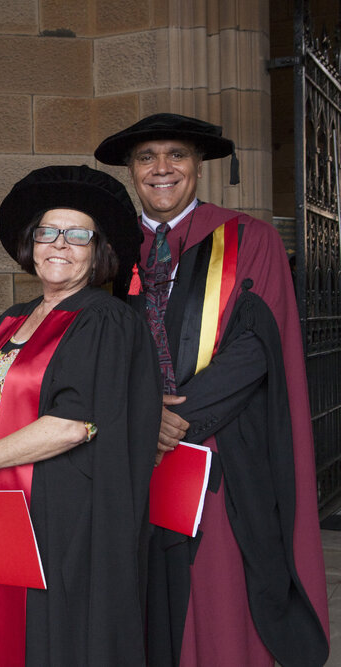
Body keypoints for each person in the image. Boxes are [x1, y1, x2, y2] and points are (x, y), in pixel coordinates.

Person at [95, 112, 330, 666]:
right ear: (131, 170)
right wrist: (139, 419)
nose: (162, 168)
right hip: (129, 451)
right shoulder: (108, 249)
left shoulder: (249, 237)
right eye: (147, 157)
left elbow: (257, 344)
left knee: (217, 586)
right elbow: (91, 347)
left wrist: (175, 421)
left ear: (198, 165)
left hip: (220, 445)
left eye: (175, 154)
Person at [0, 165, 161, 666]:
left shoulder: (106, 321)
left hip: (63, 517)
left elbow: (73, 423)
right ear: (31, 242)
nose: (59, 244)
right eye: (48, 232)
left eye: (77, 235)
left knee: (51, 639)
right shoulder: (10, 319)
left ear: (97, 249)